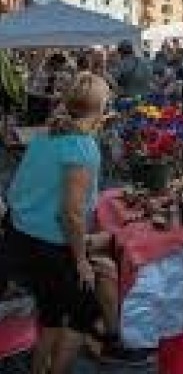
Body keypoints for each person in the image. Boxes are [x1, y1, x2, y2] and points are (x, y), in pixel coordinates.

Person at [3, 73, 133, 374]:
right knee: (82, 314)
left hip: (20, 237)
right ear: (101, 109)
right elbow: (70, 214)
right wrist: (81, 261)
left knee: (50, 313)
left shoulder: (47, 136)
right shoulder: (81, 147)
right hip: (47, 244)